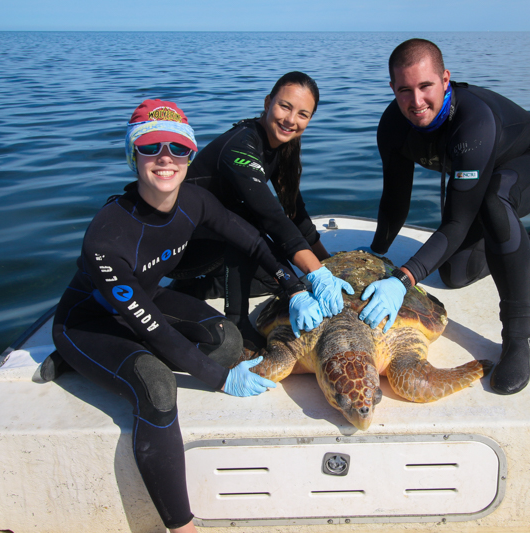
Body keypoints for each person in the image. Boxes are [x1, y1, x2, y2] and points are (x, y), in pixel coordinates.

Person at [51, 99, 325, 532]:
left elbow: (253, 241)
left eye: (178, 148)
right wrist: (219, 380)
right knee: (158, 387)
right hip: (89, 321)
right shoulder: (105, 237)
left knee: (228, 341)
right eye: (151, 146)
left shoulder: (194, 201)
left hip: (145, 300)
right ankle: (181, 526)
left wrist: (294, 287)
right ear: (132, 155)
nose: (166, 158)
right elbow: (157, 333)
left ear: (191, 154)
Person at [359, 39, 530, 395]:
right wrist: (375, 256)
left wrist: (403, 278)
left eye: (426, 86)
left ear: (445, 79)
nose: (417, 101)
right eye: (405, 90)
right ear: (392, 88)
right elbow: (395, 200)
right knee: (453, 275)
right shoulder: (393, 126)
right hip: (479, 181)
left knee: (493, 202)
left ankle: (517, 339)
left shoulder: (472, 121)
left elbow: (456, 222)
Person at [169, 72, 352, 349]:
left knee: (278, 278)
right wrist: (317, 275)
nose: (291, 120)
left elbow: (294, 212)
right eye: (285, 106)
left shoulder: (283, 145)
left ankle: (192, 290)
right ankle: (238, 324)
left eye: (303, 114)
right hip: (179, 248)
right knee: (248, 224)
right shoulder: (240, 146)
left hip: (211, 239)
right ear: (268, 102)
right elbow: (271, 218)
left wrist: (327, 265)